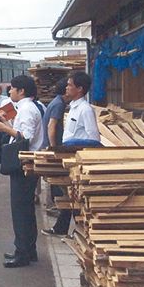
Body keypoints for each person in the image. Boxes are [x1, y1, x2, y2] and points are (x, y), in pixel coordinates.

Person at [0, 75, 45, 268]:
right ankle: (27, 249)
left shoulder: (27, 109)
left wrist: (5, 130)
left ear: (21, 91)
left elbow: (26, 138)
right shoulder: (27, 108)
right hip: (26, 162)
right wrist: (6, 125)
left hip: (24, 162)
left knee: (20, 210)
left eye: (13, 88)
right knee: (25, 209)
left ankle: (22, 252)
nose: (10, 92)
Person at [42, 71, 101, 237]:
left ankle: (80, 232)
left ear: (80, 89)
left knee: (75, 198)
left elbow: (93, 138)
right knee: (70, 196)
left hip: (78, 160)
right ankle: (67, 229)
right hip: (69, 159)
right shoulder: (73, 107)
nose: (66, 88)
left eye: (70, 85)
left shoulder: (85, 110)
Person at [42, 78, 70, 214]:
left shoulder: (57, 102)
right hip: (51, 147)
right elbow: (51, 127)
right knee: (55, 179)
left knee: (53, 179)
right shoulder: (59, 104)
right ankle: (54, 206)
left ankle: (52, 205)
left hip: (50, 145)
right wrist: (54, 149)